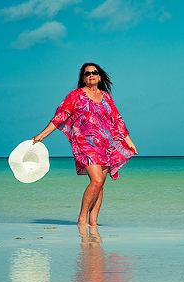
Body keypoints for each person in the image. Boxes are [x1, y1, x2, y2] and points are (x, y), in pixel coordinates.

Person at [33, 63, 137, 227]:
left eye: (94, 72)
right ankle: (82, 219)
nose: (91, 75)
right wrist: (42, 135)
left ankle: (93, 222)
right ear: (83, 77)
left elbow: (117, 119)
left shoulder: (106, 97)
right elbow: (61, 116)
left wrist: (128, 140)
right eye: (87, 73)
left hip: (105, 144)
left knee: (101, 185)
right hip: (85, 143)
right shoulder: (75, 95)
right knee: (96, 181)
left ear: (100, 76)